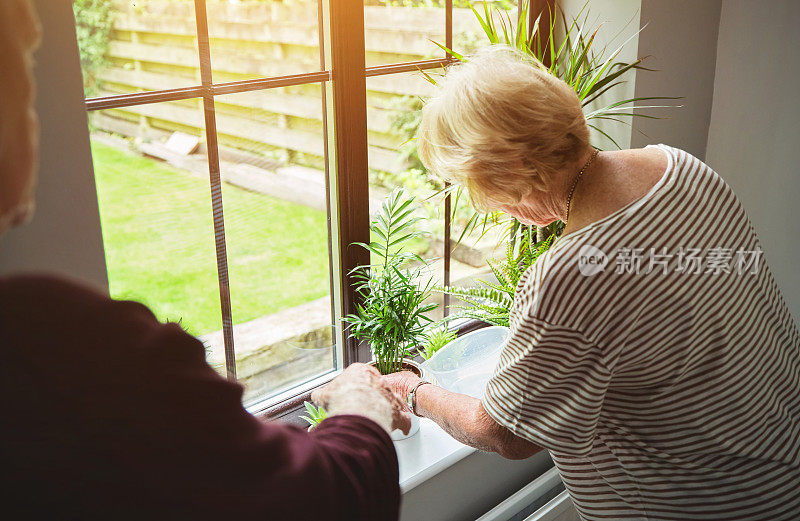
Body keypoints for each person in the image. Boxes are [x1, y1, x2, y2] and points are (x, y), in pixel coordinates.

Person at [0, 1, 409, 519]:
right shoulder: (44, 340)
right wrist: (362, 402)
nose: (34, 116)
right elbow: (331, 498)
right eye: (23, 84)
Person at [385, 44, 800, 520]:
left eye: (479, 187)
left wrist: (414, 393)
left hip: (702, 502)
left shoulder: (569, 275)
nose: (489, 204)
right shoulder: (682, 168)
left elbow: (505, 433)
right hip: (779, 461)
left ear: (512, 175)